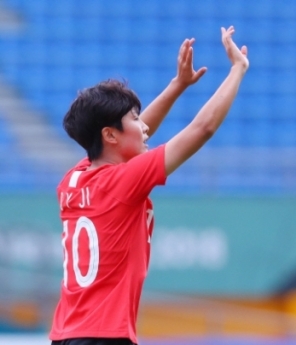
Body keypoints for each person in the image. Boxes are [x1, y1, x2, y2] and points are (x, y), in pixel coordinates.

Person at [49, 26, 248, 345]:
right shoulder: (122, 182)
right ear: (110, 135)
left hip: (67, 334)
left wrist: (177, 85)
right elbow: (203, 128)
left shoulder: (73, 180)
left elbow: (128, 140)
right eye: (134, 119)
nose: (143, 127)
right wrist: (238, 69)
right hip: (105, 336)